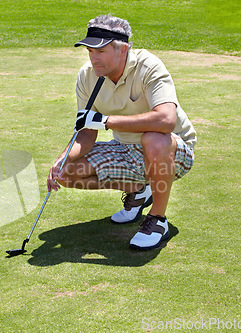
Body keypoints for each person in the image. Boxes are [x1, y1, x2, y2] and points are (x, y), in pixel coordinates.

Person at [47, 14, 197, 250]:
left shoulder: (148, 66)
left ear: (123, 49)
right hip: (125, 149)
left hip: (173, 149)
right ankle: (137, 190)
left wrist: (106, 121)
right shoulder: (88, 76)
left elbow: (166, 121)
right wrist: (62, 158)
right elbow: (86, 131)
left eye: (101, 51)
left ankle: (157, 220)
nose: (94, 59)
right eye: (90, 51)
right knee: (66, 172)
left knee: (154, 138)